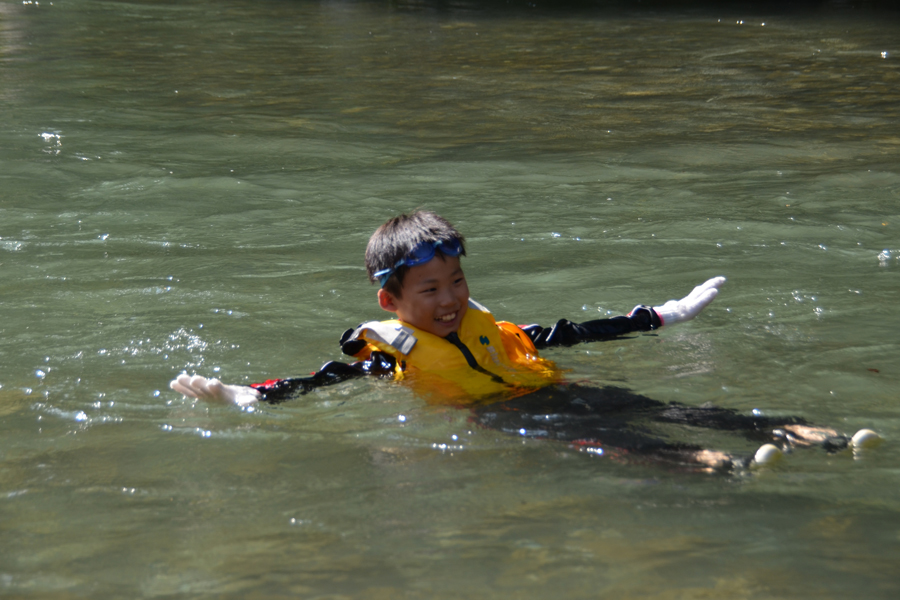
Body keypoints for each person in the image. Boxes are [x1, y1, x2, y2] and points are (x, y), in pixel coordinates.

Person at [170, 211, 880, 471]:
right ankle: (717, 468)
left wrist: (667, 314)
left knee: (673, 406)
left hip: (556, 391)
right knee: (617, 444)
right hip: (511, 418)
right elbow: (314, 382)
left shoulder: (483, 323)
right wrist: (237, 394)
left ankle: (803, 433)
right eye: (430, 292)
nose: (450, 300)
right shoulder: (390, 354)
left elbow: (569, 332)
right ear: (390, 303)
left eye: (456, 282)